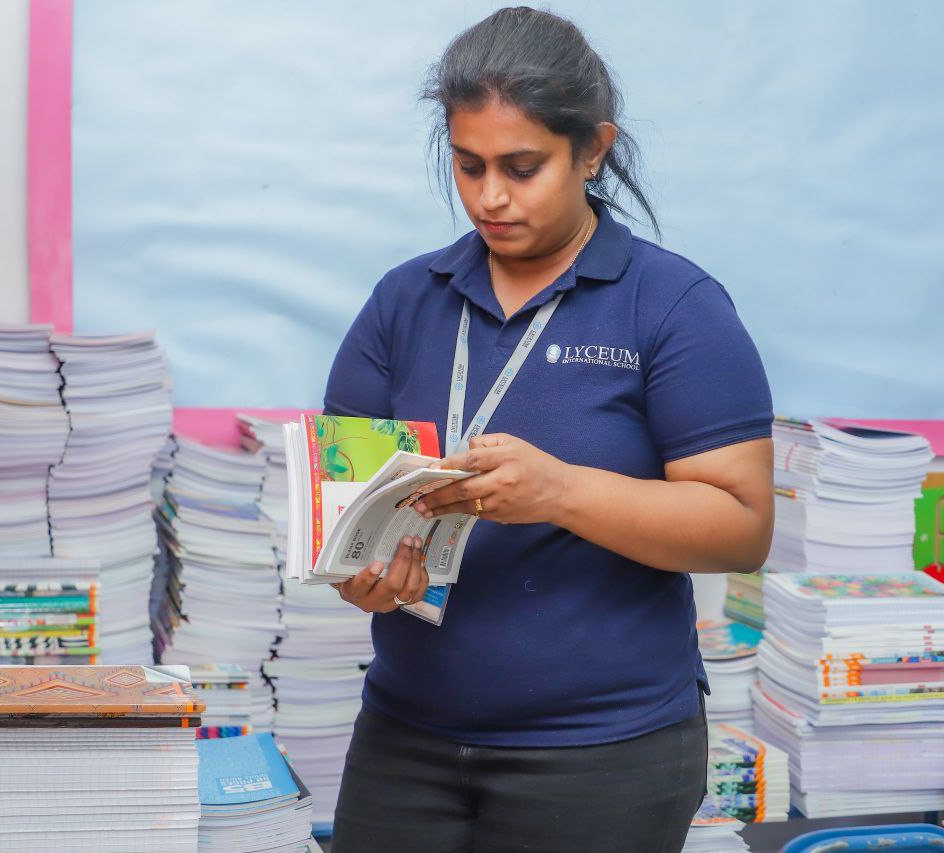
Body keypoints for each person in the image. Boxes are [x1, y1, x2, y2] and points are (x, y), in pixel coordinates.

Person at [322, 7, 774, 851]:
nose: (489, 196)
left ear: (593, 149)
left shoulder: (672, 306)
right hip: (404, 739)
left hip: (604, 754)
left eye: (522, 167)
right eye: (468, 165)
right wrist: (359, 572)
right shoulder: (403, 302)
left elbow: (741, 526)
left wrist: (561, 491)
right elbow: (345, 511)